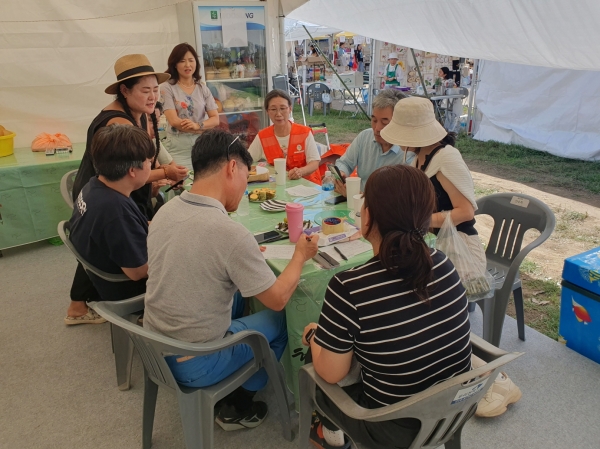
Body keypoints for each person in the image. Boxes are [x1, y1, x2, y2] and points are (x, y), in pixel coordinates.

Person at [144, 129, 319, 430]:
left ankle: (238, 377)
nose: (244, 186)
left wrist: (242, 257)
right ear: (232, 167)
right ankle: (239, 404)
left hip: (154, 346)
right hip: (195, 360)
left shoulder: (166, 210)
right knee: (281, 320)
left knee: (239, 296)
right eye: (246, 177)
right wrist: (300, 256)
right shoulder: (229, 233)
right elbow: (278, 298)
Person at [302, 164, 473, 449]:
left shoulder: (348, 287)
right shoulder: (444, 263)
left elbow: (331, 374)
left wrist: (313, 336)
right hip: (455, 410)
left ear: (368, 216)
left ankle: (330, 437)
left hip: (392, 427)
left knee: (316, 355)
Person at [380, 96, 522, 419]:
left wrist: (419, 220)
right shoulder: (421, 156)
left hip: (460, 250)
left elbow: (466, 212)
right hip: (435, 246)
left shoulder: (446, 158)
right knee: (421, 313)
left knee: (437, 319)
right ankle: (455, 375)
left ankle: (496, 380)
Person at [66, 54, 188, 325]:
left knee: (103, 242)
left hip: (105, 191)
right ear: (125, 90)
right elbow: (138, 270)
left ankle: (79, 303)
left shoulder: (104, 193)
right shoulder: (117, 124)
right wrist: (165, 173)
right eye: (145, 90)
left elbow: (139, 165)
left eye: (156, 89)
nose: (153, 96)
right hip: (113, 203)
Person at [68, 125, 154, 305]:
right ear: (132, 170)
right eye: (149, 162)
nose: (150, 166)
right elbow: (137, 272)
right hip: (126, 288)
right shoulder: (114, 211)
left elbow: (131, 227)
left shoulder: (95, 185)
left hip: (106, 271)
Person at [333, 89, 415, 196]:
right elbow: (345, 163)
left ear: (400, 123)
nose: (377, 128)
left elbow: (401, 197)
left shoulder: (409, 153)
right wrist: (342, 173)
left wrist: (357, 195)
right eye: (374, 120)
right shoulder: (365, 137)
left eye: (385, 123)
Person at [161, 43, 220, 169]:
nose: (187, 65)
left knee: (204, 180)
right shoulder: (167, 87)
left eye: (191, 60)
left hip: (203, 146)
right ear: (175, 64)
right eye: (182, 61)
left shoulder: (202, 88)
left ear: (196, 63)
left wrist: (197, 126)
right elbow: (174, 121)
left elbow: (215, 119)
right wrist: (201, 129)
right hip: (178, 148)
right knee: (182, 180)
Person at [248, 89, 321, 184]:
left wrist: (300, 171)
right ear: (267, 111)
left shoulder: (304, 132)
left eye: (282, 108)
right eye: (273, 109)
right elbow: (247, 160)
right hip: (277, 186)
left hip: (307, 186)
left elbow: (314, 162)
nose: (278, 114)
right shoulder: (262, 136)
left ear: (290, 109)